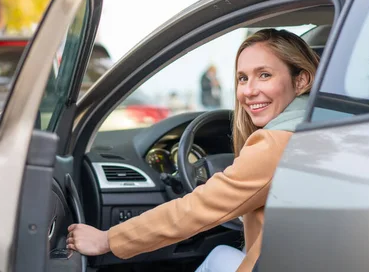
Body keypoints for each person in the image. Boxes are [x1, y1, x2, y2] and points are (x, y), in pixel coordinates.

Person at [66, 29, 320, 272]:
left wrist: (107, 239)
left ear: (301, 80)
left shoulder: (277, 143)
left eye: (264, 75)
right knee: (219, 254)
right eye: (243, 78)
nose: (248, 91)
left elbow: (196, 209)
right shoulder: (322, 126)